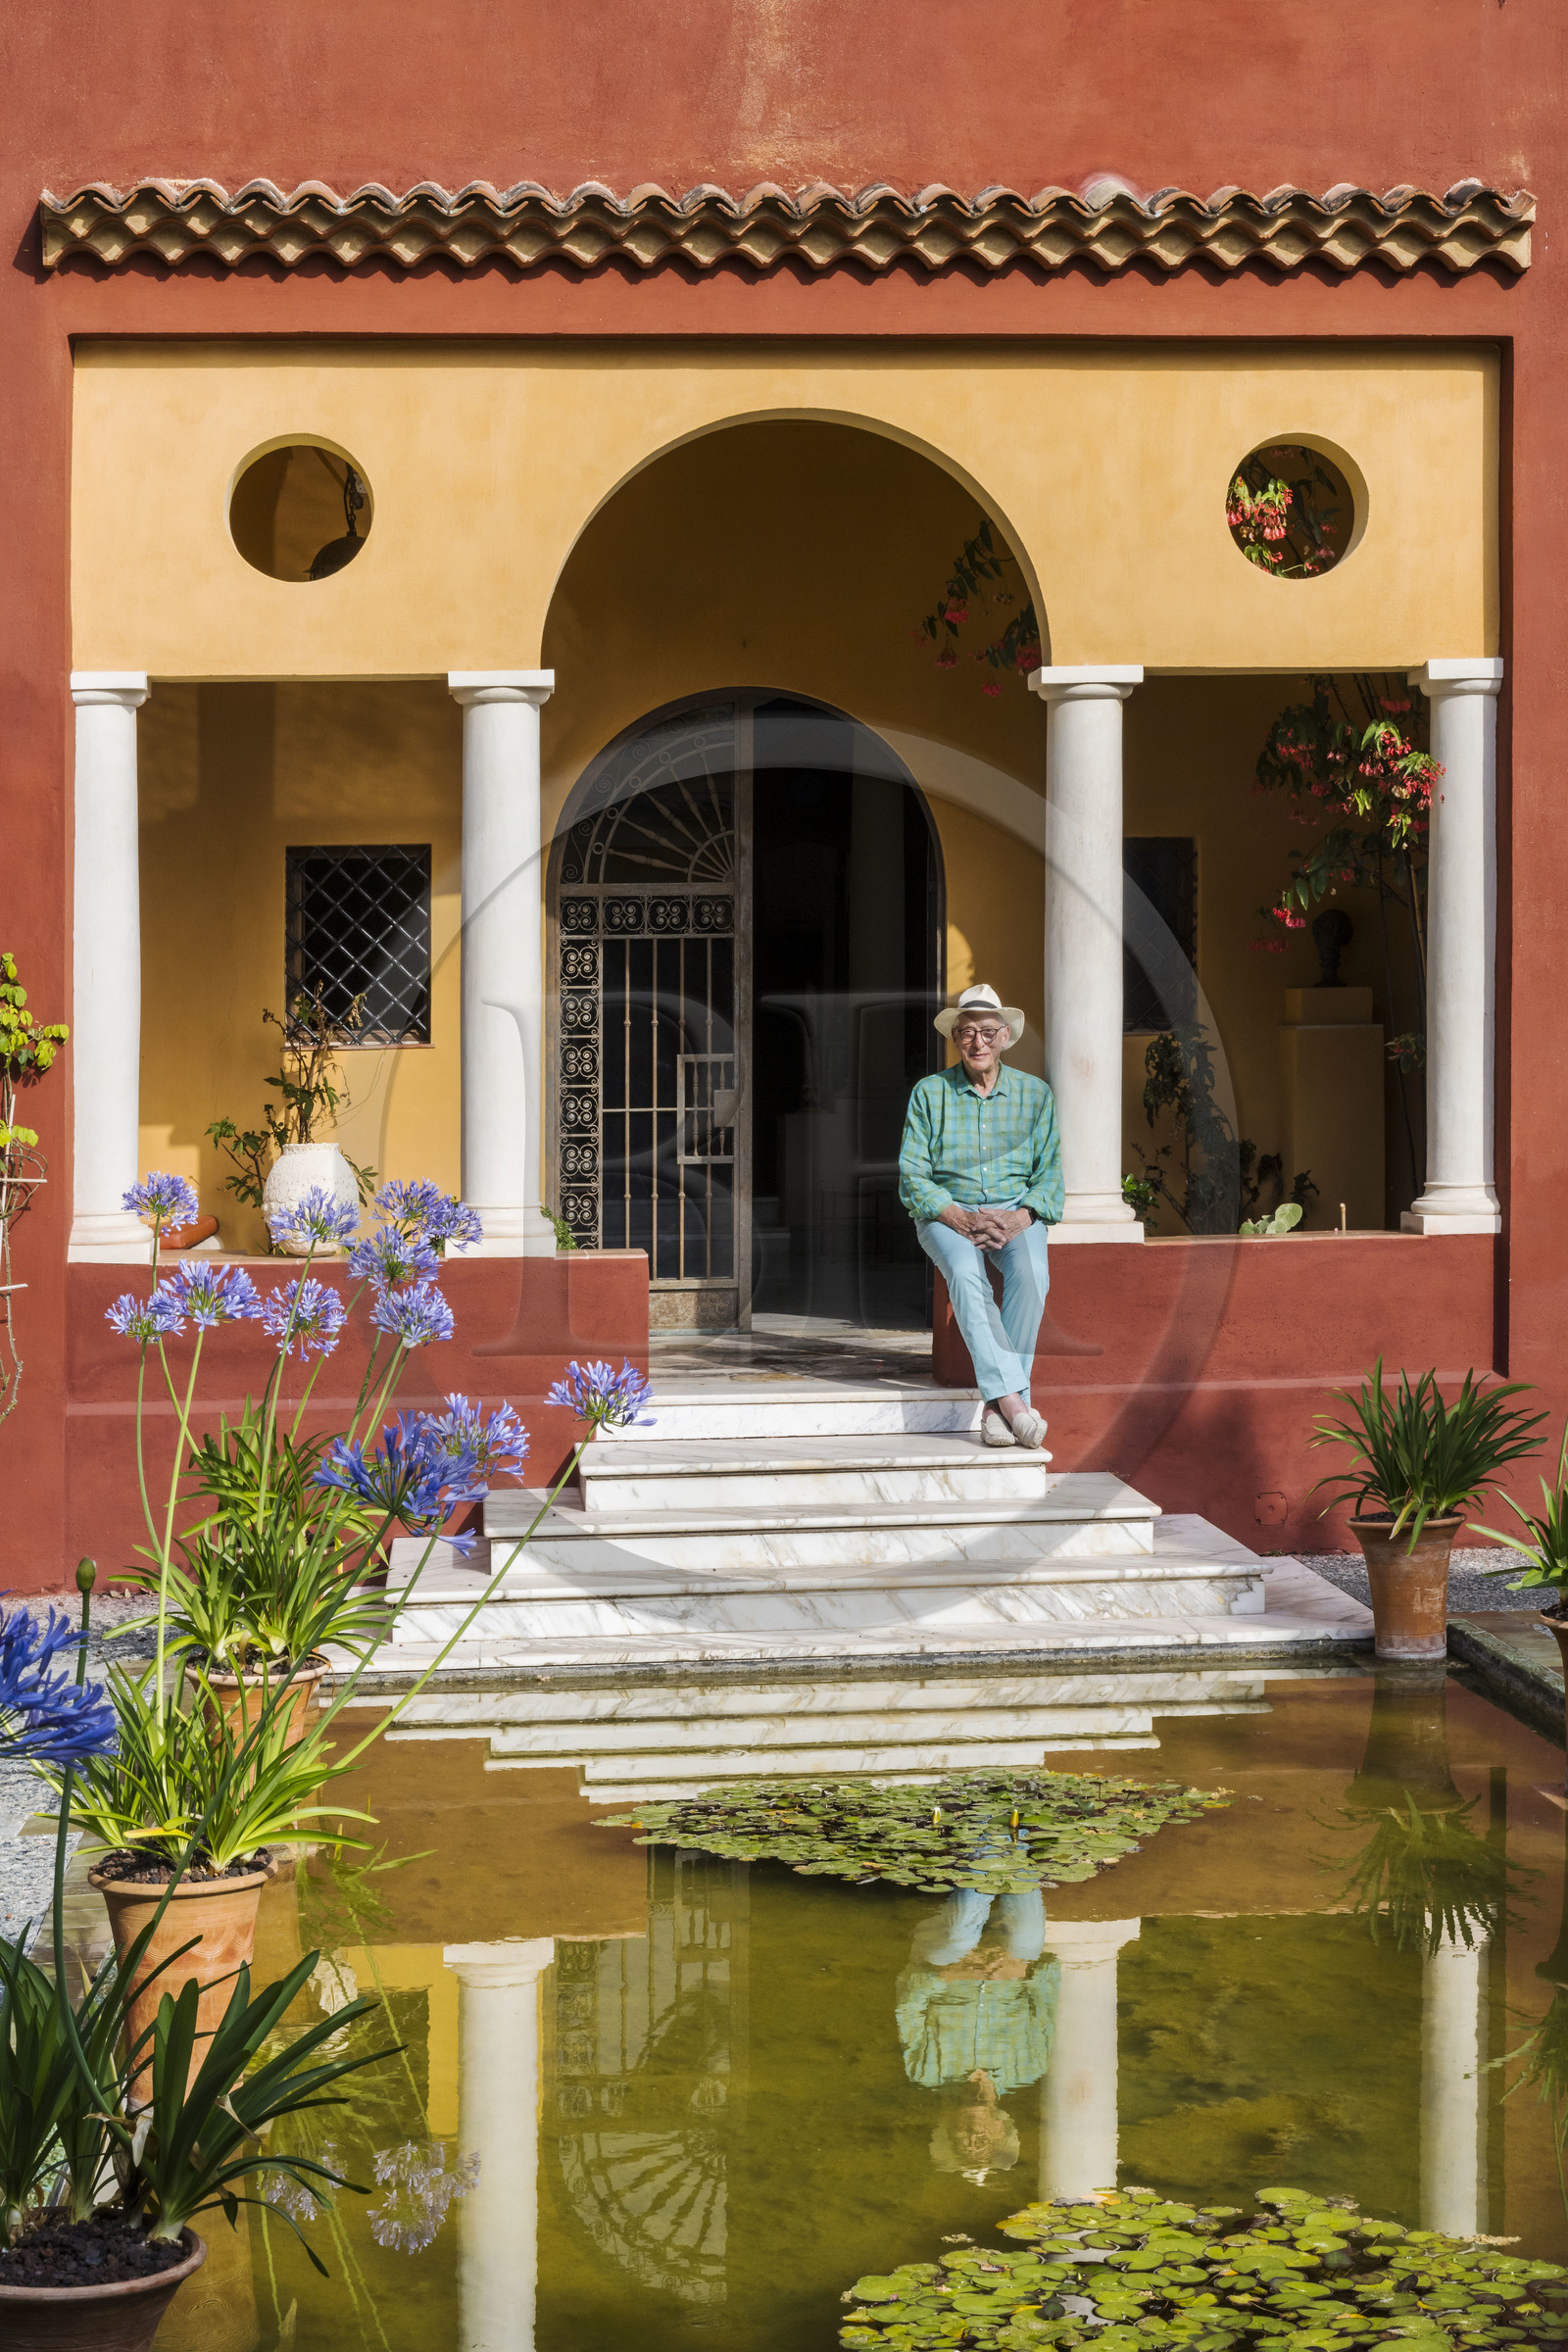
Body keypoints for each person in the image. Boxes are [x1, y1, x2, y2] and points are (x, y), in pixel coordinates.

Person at [898, 982, 1062, 1449]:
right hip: (946, 1211)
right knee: (967, 1276)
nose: (978, 1042)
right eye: (967, 1032)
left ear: (1005, 1036)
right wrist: (958, 1217)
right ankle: (1016, 1404)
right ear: (956, 1039)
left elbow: (1049, 1172)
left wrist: (1020, 1218)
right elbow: (913, 1173)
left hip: (1015, 1212)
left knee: (1032, 1274)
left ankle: (995, 1406)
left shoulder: (1037, 1095)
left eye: (988, 1032)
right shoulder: (930, 1093)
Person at [895, 1886, 1058, 2181]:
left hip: (945, 1966)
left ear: (947, 2129)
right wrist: (1021, 1971)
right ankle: (1017, 1852)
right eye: (982, 2142)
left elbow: (908, 2006)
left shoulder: (924, 2072)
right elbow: (1046, 2008)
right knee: (1028, 1934)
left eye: (962, 2142)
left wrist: (951, 1974)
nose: (972, 2136)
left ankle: (983, 1853)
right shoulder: (1030, 2068)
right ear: (1000, 2129)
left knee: (960, 1934)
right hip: (1012, 1971)